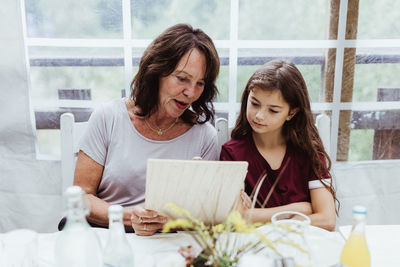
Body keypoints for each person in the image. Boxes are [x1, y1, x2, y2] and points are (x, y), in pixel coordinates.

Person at [67, 24, 220, 236]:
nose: (191, 92)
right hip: (108, 235)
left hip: (170, 243)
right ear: (156, 71)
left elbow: (205, 212)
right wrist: (130, 218)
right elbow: (81, 197)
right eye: (182, 78)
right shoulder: (108, 117)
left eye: (200, 83)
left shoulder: (204, 136)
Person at [220, 60, 338, 231]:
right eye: (254, 103)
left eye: (273, 110)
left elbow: (327, 220)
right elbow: (237, 218)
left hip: (304, 249)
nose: (259, 116)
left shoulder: (309, 153)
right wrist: (298, 209)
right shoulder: (232, 153)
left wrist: (257, 216)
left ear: (292, 113)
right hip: (253, 251)